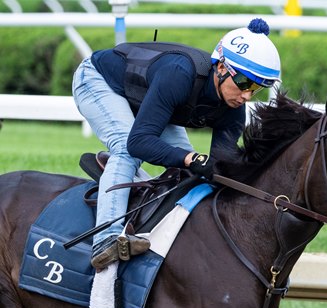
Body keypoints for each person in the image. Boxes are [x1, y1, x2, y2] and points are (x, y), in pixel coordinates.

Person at [72, 18, 281, 270]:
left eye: (257, 88)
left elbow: (218, 168)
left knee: (187, 169)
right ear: (222, 67)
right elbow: (139, 142)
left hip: (146, 96)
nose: (247, 95)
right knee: (127, 151)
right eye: (245, 83)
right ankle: (106, 238)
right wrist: (191, 159)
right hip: (99, 80)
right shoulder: (180, 74)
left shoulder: (234, 109)